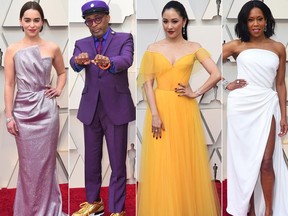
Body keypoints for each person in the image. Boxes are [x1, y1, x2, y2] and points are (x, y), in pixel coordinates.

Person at [137, 1, 221, 215]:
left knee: (184, 161)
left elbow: (216, 74)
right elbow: (147, 84)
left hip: (184, 109)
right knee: (162, 162)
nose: (169, 26)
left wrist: (196, 92)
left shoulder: (194, 47)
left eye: (174, 21)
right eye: (165, 21)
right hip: (160, 108)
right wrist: (155, 114)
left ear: (184, 21)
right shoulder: (153, 49)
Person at [70, 1, 135, 216]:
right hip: (91, 109)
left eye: (98, 19)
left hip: (116, 108)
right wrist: (77, 61)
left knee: (117, 162)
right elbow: (74, 62)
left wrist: (110, 61)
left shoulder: (124, 38)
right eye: (89, 21)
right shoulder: (82, 43)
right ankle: (94, 202)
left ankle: (117, 209)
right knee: (91, 159)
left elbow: (126, 59)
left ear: (107, 17)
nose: (94, 25)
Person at [223, 1, 288, 215]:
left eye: (259, 18)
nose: (256, 24)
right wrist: (226, 84)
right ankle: (247, 209)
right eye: (250, 20)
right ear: (244, 22)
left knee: (267, 161)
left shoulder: (278, 48)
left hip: (266, 104)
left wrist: (284, 115)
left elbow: (280, 84)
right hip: (241, 107)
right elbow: (210, 63)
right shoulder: (236, 46)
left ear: (267, 20)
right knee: (245, 164)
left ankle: (268, 210)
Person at [4, 1, 67, 215]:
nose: (32, 24)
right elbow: (9, 84)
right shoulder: (12, 50)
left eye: (36, 20)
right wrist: (9, 116)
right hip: (22, 112)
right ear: (21, 22)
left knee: (47, 164)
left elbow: (62, 72)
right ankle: (28, 210)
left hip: (47, 111)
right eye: (27, 20)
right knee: (28, 166)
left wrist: (58, 89)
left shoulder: (53, 47)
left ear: (42, 22)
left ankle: (48, 209)